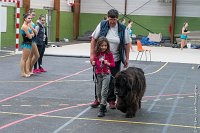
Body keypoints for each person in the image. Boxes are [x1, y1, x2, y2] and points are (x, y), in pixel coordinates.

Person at [90, 9, 131, 109]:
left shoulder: (122, 28)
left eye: (114, 19)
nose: (112, 22)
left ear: (117, 19)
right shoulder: (102, 25)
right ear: (107, 17)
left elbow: (127, 44)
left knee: (113, 80)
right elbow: (93, 39)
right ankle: (98, 98)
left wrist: (126, 58)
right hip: (101, 58)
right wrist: (92, 55)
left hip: (115, 59)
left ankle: (112, 100)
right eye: (110, 19)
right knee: (99, 79)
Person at [91, 36, 115, 117]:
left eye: (105, 45)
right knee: (98, 93)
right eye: (102, 45)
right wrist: (93, 63)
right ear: (99, 46)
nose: (104, 47)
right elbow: (94, 62)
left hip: (106, 74)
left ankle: (102, 108)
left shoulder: (109, 54)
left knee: (104, 92)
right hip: (98, 75)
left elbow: (113, 64)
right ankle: (103, 105)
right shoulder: (97, 54)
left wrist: (107, 63)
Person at [26, 9, 40, 74]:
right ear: (29, 14)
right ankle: (28, 70)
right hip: (30, 40)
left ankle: (29, 69)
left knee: (33, 56)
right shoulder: (29, 23)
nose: (34, 16)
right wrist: (34, 31)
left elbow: (35, 33)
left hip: (33, 39)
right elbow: (32, 33)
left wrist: (34, 31)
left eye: (34, 14)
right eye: (32, 14)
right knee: (35, 55)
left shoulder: (32, 22)